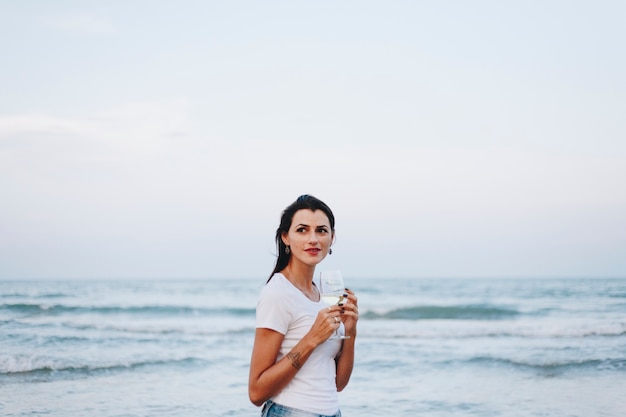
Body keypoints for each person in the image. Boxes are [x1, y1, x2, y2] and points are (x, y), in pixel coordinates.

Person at [248, 195, 359, 417]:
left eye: (321, 230)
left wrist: (351, 331)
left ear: (332, 238)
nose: (313, 239)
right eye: (302, 230)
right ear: (285, 237)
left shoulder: (324, 293)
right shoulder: (278, 293)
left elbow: (338, 383)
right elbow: (256, 392)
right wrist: (311, 339)